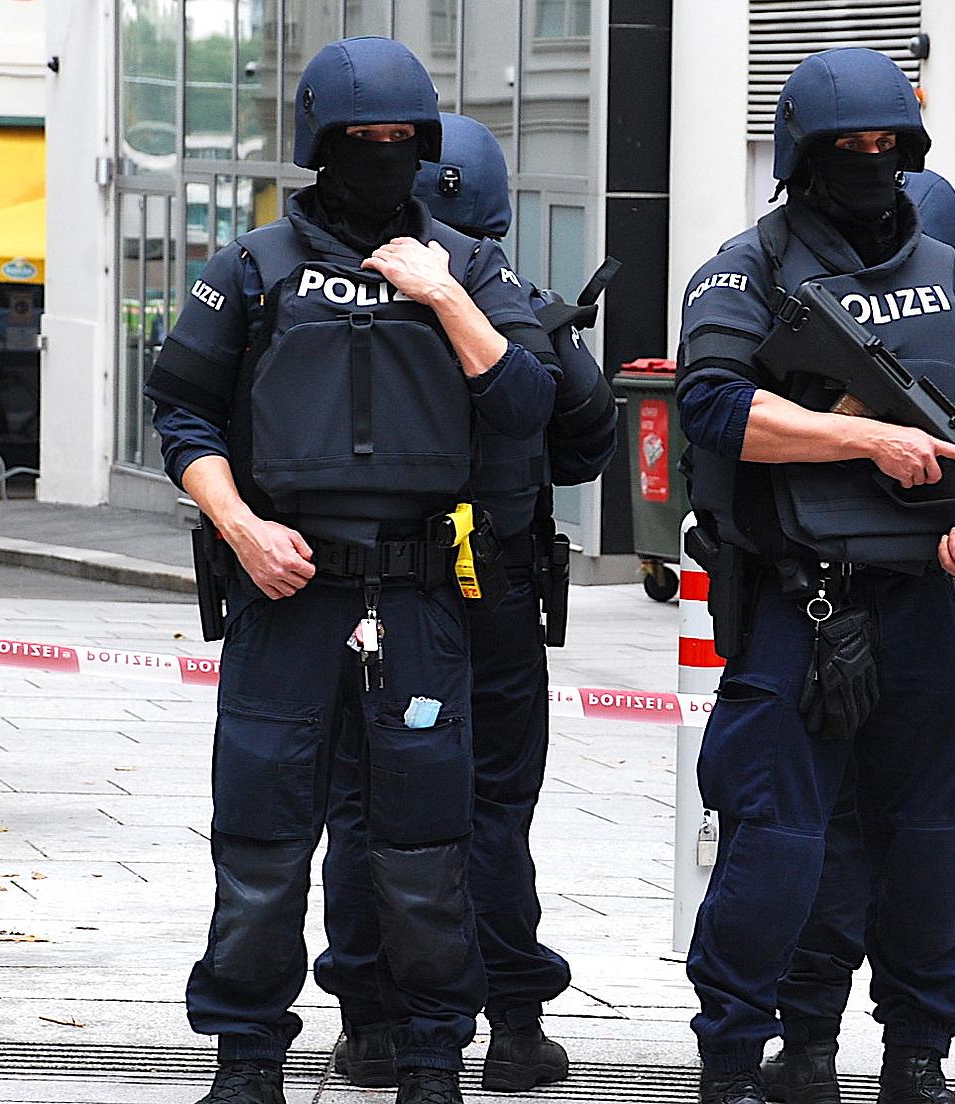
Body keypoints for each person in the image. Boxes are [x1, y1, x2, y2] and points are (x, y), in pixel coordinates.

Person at [144, 38, 561, 1104]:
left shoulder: (470, 267)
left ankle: (429, 1059)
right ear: (318, 147)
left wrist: (446, 296)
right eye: (361, 142)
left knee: (425, 848)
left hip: (422, 599)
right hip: (286, 594)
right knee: (262, 842)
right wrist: (239, 528)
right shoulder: (250, 268)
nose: (383, 157)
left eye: (400, 141)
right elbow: (181, 413)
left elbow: (527, 407)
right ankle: (246, 1061)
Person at [675, 47, 955, 1104]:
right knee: (778, 844)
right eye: (851, 150)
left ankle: (920, 1054)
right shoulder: (745, 267)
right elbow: (712, 405)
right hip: (806, 602)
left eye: (892, 149)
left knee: (937, 841)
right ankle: (740, 1059)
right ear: (803, 157)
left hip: (933, 602)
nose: (873, 165)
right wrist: (866, 442)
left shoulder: (947, 273)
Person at [317, 112, 619, 1094]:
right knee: (491, 809)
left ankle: (371, 1025)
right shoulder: (511, 305)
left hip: (373, 595)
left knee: (366, 803)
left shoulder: (330, 301)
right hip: (493, 596)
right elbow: (584, 440)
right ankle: (516, 1026)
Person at [759, 169, 955, 1104]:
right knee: (950, 835)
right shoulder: (946, 317)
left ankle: (837, 1047)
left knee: (889, 832)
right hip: (903, 611)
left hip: (933, 609)